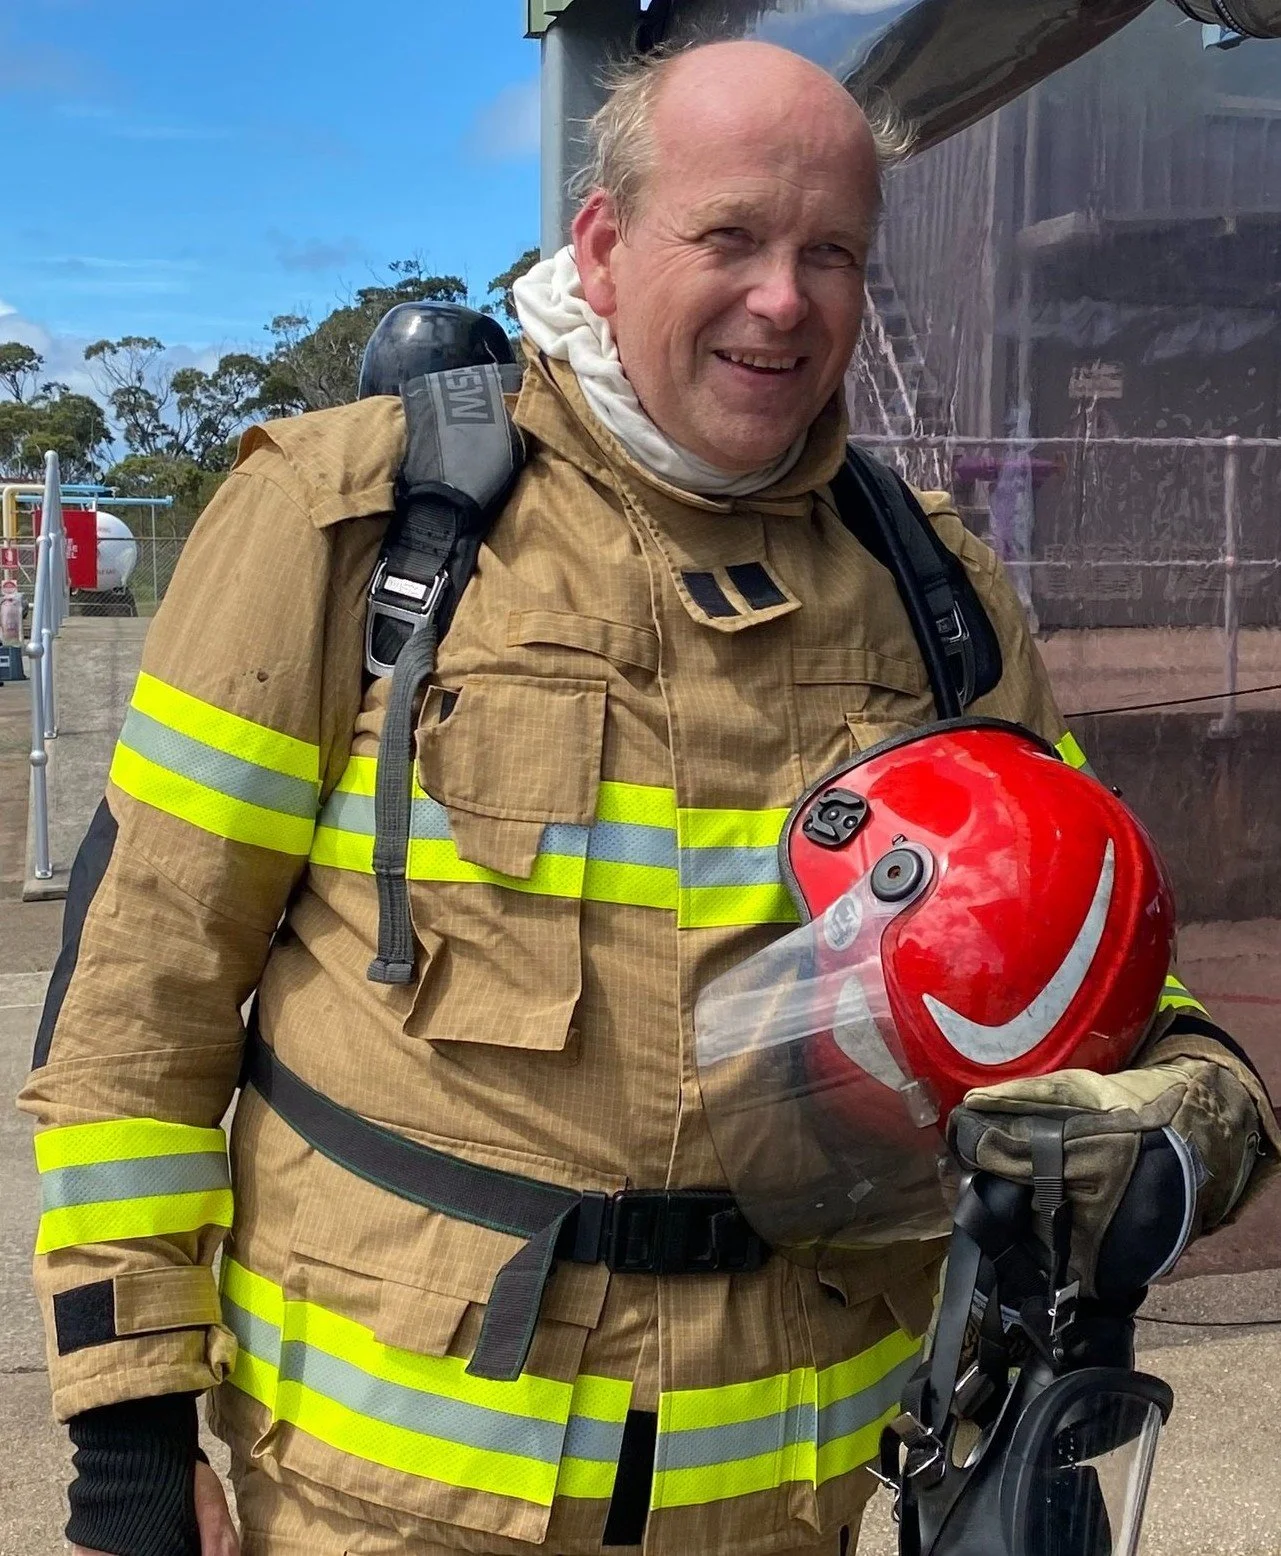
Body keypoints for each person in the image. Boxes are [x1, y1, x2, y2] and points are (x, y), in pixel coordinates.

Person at [20, 39, 1276, 1556]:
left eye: (832, 254)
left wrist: (1195, 1097)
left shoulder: (931, 588)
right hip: (389, 1506)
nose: (784, 299)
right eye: (731, 236)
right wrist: (132, 1442)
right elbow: (137, 1002)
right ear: (604, 246)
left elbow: (1090, 938)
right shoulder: (344, 523)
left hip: (790, 1500)